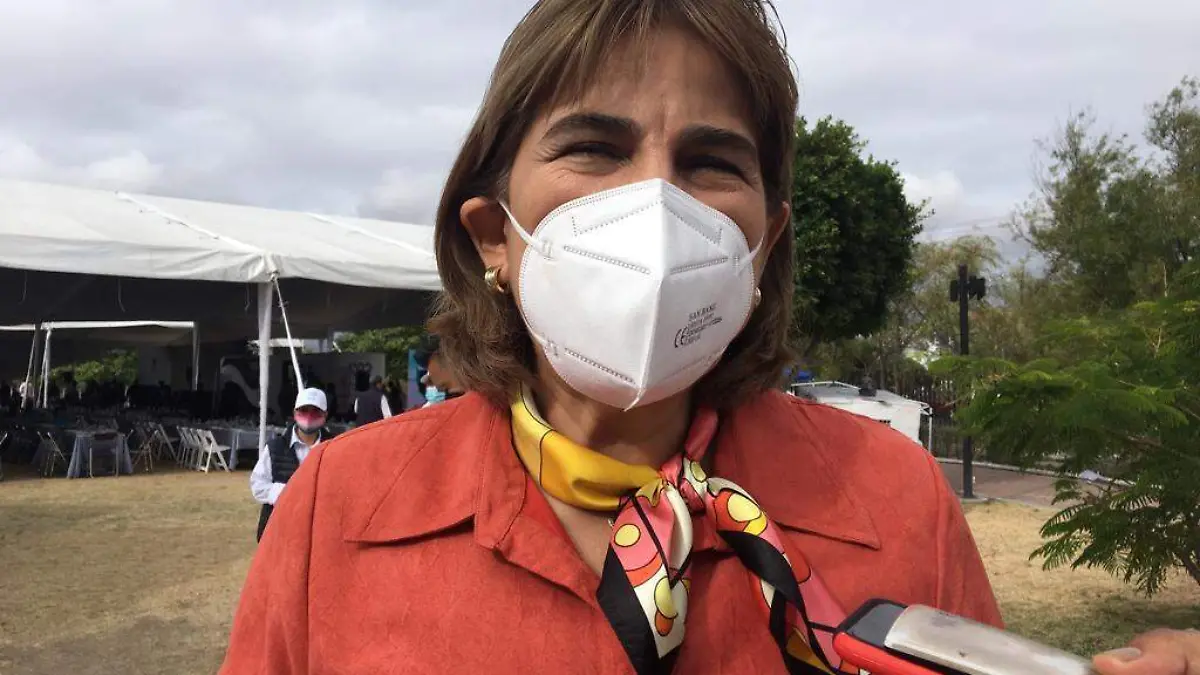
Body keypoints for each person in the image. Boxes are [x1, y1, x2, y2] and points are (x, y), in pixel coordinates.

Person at [221, 1, 1198, 673]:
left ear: (764, 242)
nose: (655, 204)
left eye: (711, 161)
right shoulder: (341, 507)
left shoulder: (893, 500)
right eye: (594, 148)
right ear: (493, 238)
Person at [249, 387, 332, 543]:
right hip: (280, 529)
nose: (309, 416)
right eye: (304, 410)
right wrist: (288, 493)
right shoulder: (275, 447)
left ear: (325, 415)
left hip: (321, 532)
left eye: (315, 411)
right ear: (295, 413)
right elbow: (258, 485)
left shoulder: (335, 448)